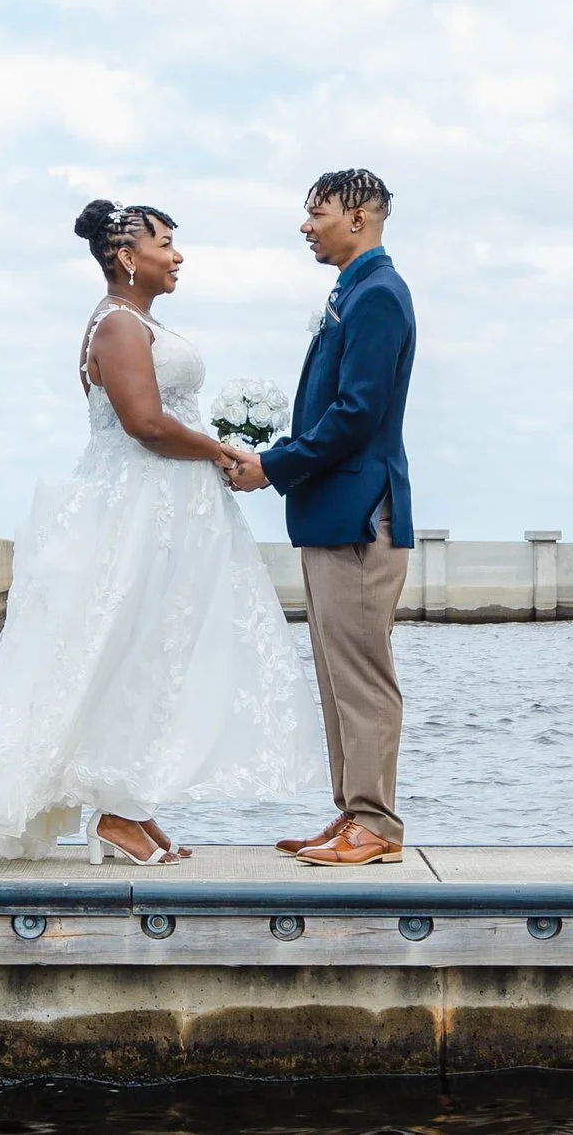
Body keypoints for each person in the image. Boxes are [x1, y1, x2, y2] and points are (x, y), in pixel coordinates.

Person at [0, 199, 324, 865]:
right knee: (133, 652)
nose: (178, 256)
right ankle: (114, 813)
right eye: (166, 243)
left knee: (155, 652)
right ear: (127, 258)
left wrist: (211, 446)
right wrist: (220, 451)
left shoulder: (137, 322)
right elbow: (147, 425)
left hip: (164, 507)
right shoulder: (117, 327)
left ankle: (129, 801)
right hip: (141, 510)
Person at [223, 169, 416, 867]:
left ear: (359, 216)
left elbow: (357, 414)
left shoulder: (379, 296)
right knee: (338, 671)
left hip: (362, 516)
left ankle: (377, 823)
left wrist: (274, 465)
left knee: (362, 672)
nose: (307, 226)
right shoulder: (354, 292)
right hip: (333, 515)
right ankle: (352, 815)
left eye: (318, 213)